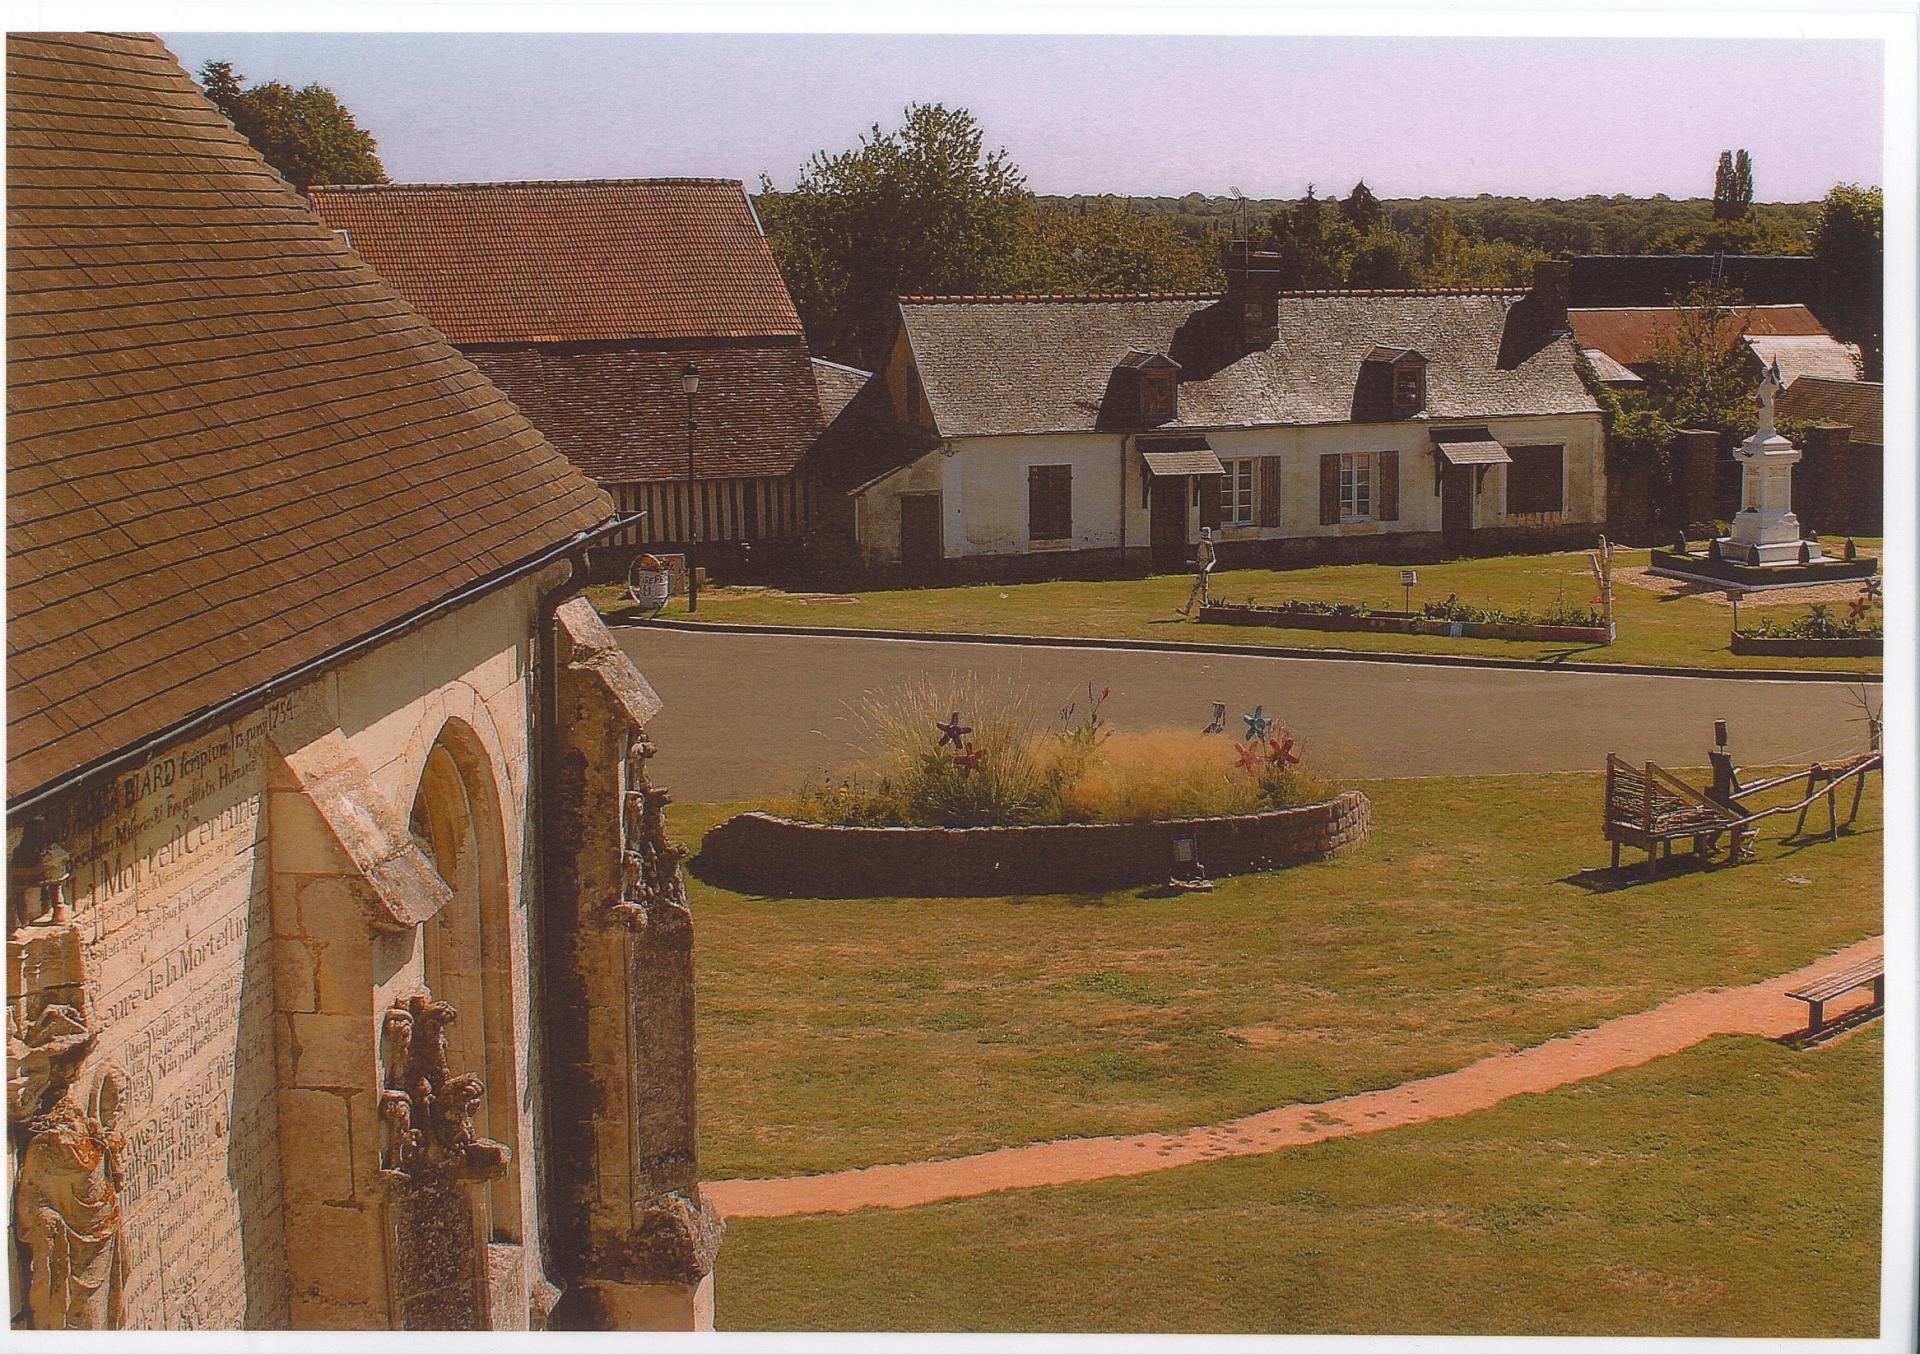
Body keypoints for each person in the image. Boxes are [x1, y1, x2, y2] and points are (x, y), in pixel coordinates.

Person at [1179, 527, 1217, 616]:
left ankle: (1205, 610)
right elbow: (1198, 560)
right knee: (1196, 589)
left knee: (1204, 589)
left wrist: (1207, 569)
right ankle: (1188, 609)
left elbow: (1213, 560)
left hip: (1204, 570)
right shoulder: (1201, 544)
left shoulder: (1208, 544)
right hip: (1200, 570)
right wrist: (1191, 562)